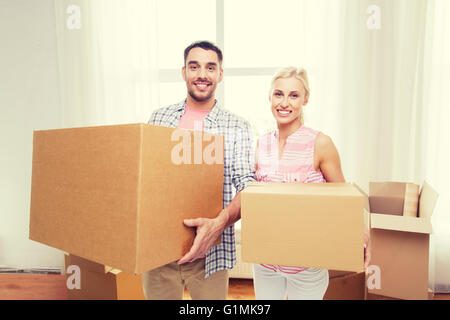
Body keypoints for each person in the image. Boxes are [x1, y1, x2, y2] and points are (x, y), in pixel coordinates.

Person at [142, 41, 255, 300]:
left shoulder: (237, 126)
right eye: (194, 67)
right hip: (160, 256)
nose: (202, 74)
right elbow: (147, 179)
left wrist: (220, 223)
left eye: (210, 67)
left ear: (220, 74)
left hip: (210, 258)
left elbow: (247, 185)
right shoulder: (159, 119)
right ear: (184, 72)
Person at [253, 66, 371, 300]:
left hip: (306, 265)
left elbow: (344, 196)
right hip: (266, 263)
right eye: (279, 94)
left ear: (305, 99)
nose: (284, 102)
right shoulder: (261, 143)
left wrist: (363, 233)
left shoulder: (320, 143)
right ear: (269, 97)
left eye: (294, 95)